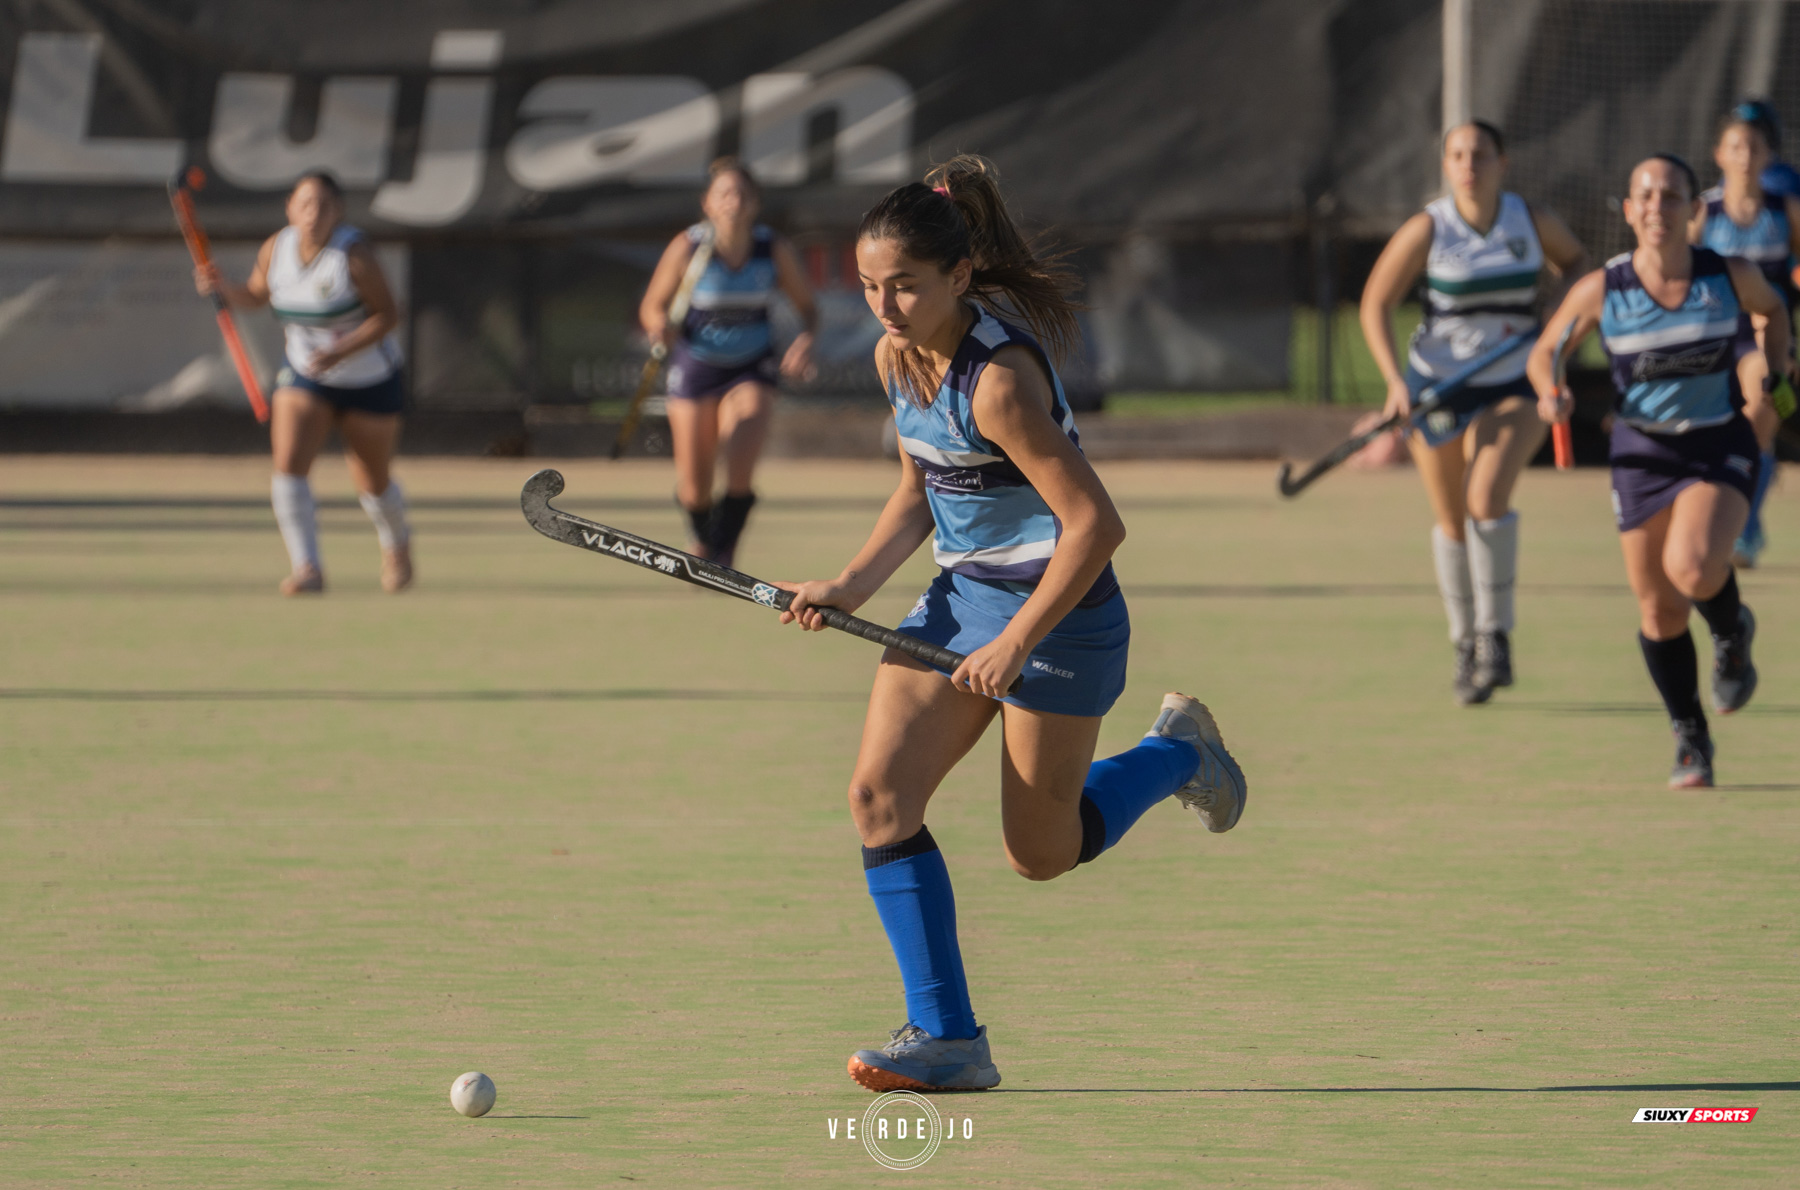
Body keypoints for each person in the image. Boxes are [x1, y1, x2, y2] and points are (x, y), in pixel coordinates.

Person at [772, 155, 1248, 1093]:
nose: (885, 306)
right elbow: (922, 486)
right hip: (964, 599)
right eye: (869, 287)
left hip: (1061, 615)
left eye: (904, 285)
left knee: (1042, 853)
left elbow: (1095, 525)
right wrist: (852, 584)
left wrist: (1018, 640)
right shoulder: (894, 358)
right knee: (879, 798)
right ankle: (948, 1037)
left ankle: (1179, 753)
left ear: (957, 275)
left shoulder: (998, 382)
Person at [1529, 154, 1783, 788]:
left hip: (1717, 442)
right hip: (1641, 456)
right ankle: (1691, 735)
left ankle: (1730, 629)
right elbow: (1545, 354)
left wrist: (1777, 382)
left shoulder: (1728, 275)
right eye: (1644, 196)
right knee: (1660, 610)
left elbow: (1774, 313)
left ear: (1694, 211)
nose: (1656, 207)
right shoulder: (1603, 289)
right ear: (1628, 210)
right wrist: (1549, 390)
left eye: (1671, 196)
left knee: (1693, 567)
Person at [1360, 121, 1589, 705]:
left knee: (1487, 496)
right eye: (1457, 155)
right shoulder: (1430, 227)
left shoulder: (1529, 221)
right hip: (1438, 385)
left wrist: (1558, 334)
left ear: (1502, 162)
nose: (1468, 165)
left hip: (1516, 379)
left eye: (1480, 154)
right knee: (1453, 518)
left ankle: (1496, 637)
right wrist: (1393, 382)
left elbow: (1581, 270)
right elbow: (1376, 302)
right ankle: (1464, 643)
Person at [196, 171, 410, 595]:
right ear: (290, 208)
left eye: (324, 206)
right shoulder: (276, 248)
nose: (314, 214)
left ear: (339, 211)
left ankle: (396, 544)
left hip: (369, 379)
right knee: (288, 466)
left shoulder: (354, 254)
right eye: (305, 204)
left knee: (373, 481)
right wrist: (224, 289)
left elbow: (387, 315)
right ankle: (307, 567)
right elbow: (259, 297)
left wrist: (342, 350)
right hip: (305, 375)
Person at [638, 158, 816, 567]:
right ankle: (701, 537)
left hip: (751, 367)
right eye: (724, 194)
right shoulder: (688, 247)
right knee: (695, 488)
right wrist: (657, 326)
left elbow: (809, 309)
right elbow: (652, 306)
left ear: (754, 204)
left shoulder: (773, 248)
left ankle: (722, 552)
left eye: (741, 194)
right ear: (708, 203)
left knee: (742, 459)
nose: (733, 202)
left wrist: (806, 340)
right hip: (696, 366)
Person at [1690, 101, 1800, 568]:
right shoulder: (1705, 212)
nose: (1744, 156)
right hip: (1713, 338)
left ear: (1768, 155)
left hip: (1767, 337)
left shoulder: (1784, 209)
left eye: (1754, 147)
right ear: (1719, 154)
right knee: (1716, 433)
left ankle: (1744, 531)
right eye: (1735, 146)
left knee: (1766, 410)